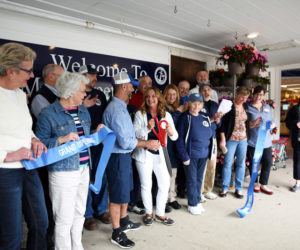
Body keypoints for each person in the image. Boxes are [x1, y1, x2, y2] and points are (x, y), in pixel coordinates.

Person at [36, 72, 103, 250]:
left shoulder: (83, 111)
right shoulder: (48, 113)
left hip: (83, 169)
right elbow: (39, 145)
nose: (85, 94)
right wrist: (60, 140)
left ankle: (77, 246)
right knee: (63, 219)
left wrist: (98, 134)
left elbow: (85, 139)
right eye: (82, 91)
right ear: (70, 92)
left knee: (79, 213)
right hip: (62, 172)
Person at [103, 72, 160, 249]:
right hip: (117, 156)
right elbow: (126, 141)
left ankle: (124, 220)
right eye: (131, 86)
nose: (133, 89)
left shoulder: (121, 107)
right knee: (117, 196)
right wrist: (147, 143)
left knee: (125, 191)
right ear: (123, 87)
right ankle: (116, 232)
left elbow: (128, 137)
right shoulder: (115, 109)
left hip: (123, 156)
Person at [0, 42, 48, 250]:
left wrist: (34, 140)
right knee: (11, 236)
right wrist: (7, 155)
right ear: (10, 71)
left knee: (41, 223)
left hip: (28, 167)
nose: (31, 76)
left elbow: (24, 128)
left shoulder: (20, 95)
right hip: (6, 172)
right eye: (28, 70)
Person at [132, 87, 178, 226]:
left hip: (160, 154)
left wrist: (170, 131)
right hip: (144, 153)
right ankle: (148, 213)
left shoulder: (166, 115)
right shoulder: (140, 114)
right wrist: (147, 128)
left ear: (158, 98)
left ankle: (160, 213)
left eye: (153, 96)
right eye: (147, 97)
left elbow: (175, 137)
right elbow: (134, 134)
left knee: (164, 183)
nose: (150, 99)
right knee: (146, 184)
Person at [78, 64, 111, 230]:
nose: (95, 78)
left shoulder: (99, 95)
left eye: (96, 75)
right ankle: (88, 214)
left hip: (98, 141)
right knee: (85, 178)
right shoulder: (76, 93)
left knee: (101, 176)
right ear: (82, 75)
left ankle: (101, 210)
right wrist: (83, 106)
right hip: (83, 142)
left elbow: (104, 116)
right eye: (91, 75)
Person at [176, 93, 213, 215]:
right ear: (189, 103)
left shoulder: (204, 117)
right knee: (192, 180)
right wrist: (184, 156)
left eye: (199, 103)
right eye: (194, 103)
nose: (196, 105)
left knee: (198, 179)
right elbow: (179, 139)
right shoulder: (184, 118)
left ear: (202, 104)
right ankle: (192, 204)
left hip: (203, 154)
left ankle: (197, 200)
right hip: (191, 156)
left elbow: (209, 135)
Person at [219, 86, 250, 199]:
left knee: (241, 164)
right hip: (231, 140)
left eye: (246, 98)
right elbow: (221, 125)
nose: (243, 100)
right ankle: (225, 187)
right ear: (237, 94)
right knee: (228, 163)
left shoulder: (246, 106)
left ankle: (239, 188)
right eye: (242, 97)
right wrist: (222, 140)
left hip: (243, 140)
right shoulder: (228, 105)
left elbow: (246, 123)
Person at [247, 86, 275, 195]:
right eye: (257, 94)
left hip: (266, 141)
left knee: (267, 162)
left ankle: (263, 184)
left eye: (262, 95)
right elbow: (245, 125)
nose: (259, 97)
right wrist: (254, 123)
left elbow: (271, 121)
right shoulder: (248, 108)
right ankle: (255, 183)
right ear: (253, 95)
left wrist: (272, 125)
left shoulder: (267, 107)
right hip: (253, 141)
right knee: (254, 163)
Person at [199, 82, 223, 202]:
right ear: (200, 92)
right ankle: (200, 191)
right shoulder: (197, 104)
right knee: (202, 166)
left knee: (211, 166)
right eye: (204, 90)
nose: (206, 92)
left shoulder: (215, 104)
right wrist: (212, 119)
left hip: (212, 138)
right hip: (201, 139)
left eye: (208, 90)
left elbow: (220, 124)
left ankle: (208, 190)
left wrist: (218, 121)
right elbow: (198, 121)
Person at [163, 84, 183, 209]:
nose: (171, 97)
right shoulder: (163, 108)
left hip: (176, 145)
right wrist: (178, 112)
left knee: (173, 173)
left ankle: (171, 197)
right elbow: (169, 124)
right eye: (169, 94)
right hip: (166, 145)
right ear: (164, 95)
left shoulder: (176, 107)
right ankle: (163, 200)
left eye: (174, 94)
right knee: (165, 173)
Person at [286, 99, 300, 191]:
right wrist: (296, 123)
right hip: (297, 139)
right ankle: (298, 182)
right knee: (298, 160)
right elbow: (287, 123)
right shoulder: (294, 109)